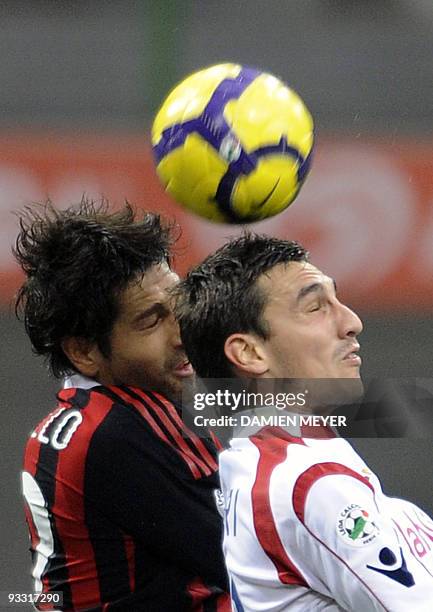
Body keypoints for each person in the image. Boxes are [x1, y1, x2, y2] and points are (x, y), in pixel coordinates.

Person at [174, 233, 433, 611]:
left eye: (337, 300)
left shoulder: (264, 462)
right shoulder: (310, 484)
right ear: (249, 352)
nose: (352, 322)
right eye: (315, 307)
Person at [14, 200, 230, 611]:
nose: (183, 334)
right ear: (83, 350)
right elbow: (260, 559)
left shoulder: (87, 418)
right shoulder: (121, 429)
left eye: (179, 307)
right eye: (151, 321)